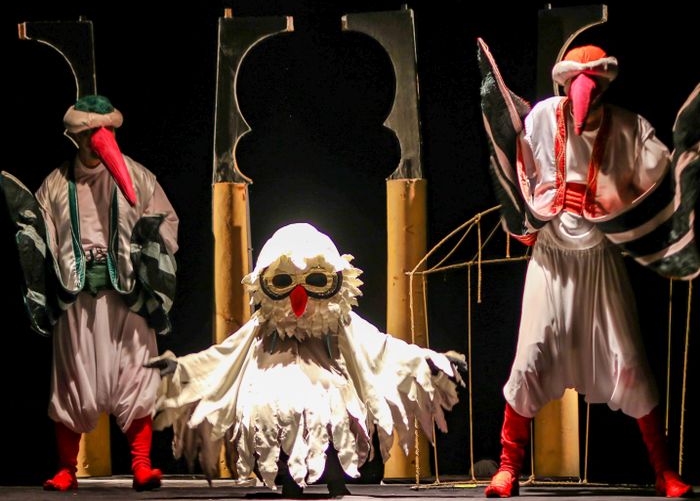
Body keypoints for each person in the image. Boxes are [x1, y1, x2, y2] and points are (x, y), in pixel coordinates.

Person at [477, 41, 698, 498]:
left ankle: (663, 471)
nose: (586, 102)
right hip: (552, 258)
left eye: (594, 92)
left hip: (600, 256)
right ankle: (508, 467)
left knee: (629, 360)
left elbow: (660, 176)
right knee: (530, 356)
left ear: (604, 89)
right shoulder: (543, 118)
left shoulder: (629, 128)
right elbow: (519, 164)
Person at [147, 222, 466, 496]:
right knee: (270, 411)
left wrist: (432, 361)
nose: (298, 295)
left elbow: (381, 348)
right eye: (282, 282)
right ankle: (290, 481)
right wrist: (181, 368)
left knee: (334, 409)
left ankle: (335, 481)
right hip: (271, 388)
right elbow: (225, 355)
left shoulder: (339, 321)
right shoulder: (263, 325)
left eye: (315, 281)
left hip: (329, 387)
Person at [2, 95, 178, 491]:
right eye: (87, 135)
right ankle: (67, 469)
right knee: (72, 379)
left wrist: (147, 248)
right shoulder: (55, 184)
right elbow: (42, 235)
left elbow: (167, 223)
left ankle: (141, 465)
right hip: (77, 296)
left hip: (127, 294)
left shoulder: (139, 177)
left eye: (104, 133)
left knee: (136, 373)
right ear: (75, 137)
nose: (95, 142)